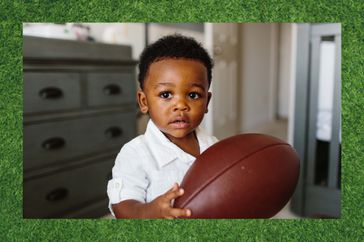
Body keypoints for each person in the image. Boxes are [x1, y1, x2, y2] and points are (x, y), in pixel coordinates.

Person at [107, 34, 218, 218]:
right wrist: (152, 211)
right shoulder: (135, 154)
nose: (181, 105)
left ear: (207, 102)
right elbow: (122, 207)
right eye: (166, 94)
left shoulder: (214, 147)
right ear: (144, 102)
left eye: (193, 95)